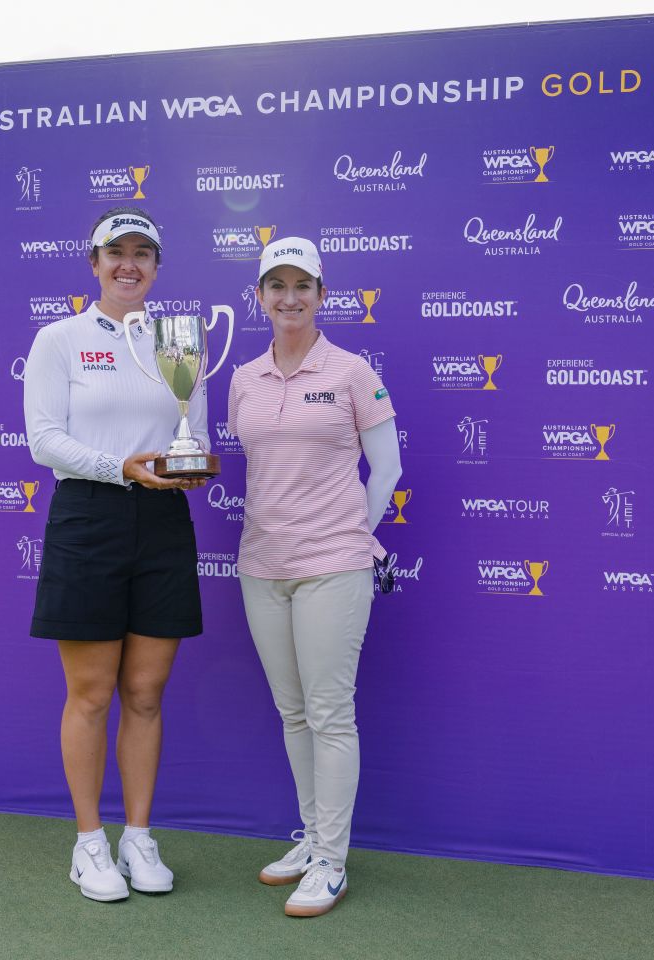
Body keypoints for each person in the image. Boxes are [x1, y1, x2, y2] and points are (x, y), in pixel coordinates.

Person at [22, 206, 207, 903]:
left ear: (157, 266)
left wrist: (188, 465)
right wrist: (118, 468)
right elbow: (44, 440)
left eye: (142, 253)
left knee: (146, 693)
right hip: (89, 517)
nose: (129, 264)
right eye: (116, 252)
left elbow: (196, 431)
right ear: (94, 263)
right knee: (92, 692)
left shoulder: (178, 340)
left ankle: (138, 837)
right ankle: (89, 843)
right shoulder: (60, 339)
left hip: (163, 520)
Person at [228, 237, 402, 917]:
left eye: (303, 285)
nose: (290, 297)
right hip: (261, 565)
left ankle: (331, 859)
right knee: (293, 712)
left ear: (322, 295)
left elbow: (387, 468)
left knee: (330, 714)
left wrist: (354, 534)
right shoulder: (244, 378)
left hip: (333, 566)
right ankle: (311, 839)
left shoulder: (353, 371)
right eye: (277, 285)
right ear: (260, 297)